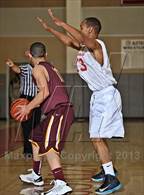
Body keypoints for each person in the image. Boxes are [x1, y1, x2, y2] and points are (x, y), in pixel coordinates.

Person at [36, 9, 125, 195]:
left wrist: (62, 23)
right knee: (96, 136)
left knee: (96, 137)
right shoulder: (85, 48)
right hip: (98, 96)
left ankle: (112, 178)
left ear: (91, 30)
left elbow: (82, 40)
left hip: (106, 95)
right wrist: (50, 29)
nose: (79, 31)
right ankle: (108, 169)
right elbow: (68, 41)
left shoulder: (97, 45)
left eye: (81, 28)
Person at [16, 42, 74, 195]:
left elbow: (44, 93)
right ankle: (36, 175)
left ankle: (61, 183)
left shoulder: (37, 69)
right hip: (56, 111)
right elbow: (59, 82)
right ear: (45, 54)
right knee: (35, 138)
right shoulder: (51, 67)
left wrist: (27, 107)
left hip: (60, 110)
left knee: (49, 146)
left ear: (29, 55)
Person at [6, 59, 41, 157]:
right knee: (27, 127)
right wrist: (12, 65)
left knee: (36, 126)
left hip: (37, 99)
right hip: (26, 99)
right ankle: (28, 151)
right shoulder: (27, 67)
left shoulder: (41, 68)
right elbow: (18, 70)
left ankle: (36, 150)